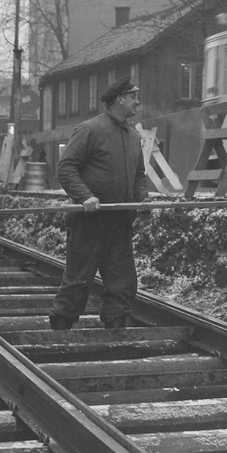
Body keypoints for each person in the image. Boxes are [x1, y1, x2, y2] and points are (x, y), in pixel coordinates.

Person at [50, 77, 148, 331]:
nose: (138, 102)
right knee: (78, 281)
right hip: (89, 221)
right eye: (133, 97)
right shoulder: (89, 130)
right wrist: (85, 196)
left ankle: (115, 334)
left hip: (119, 222)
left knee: (122, 283)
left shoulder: (133, 135)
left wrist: (144, 199)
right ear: (120, 99)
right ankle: (60, 334)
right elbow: (66, 167)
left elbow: (138, 174)